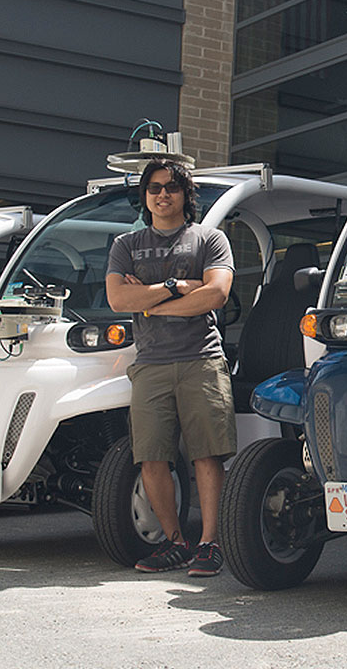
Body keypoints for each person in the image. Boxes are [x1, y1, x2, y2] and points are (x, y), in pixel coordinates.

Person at [105, 157, 236, 577]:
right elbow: (118, 302)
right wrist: (176, 288)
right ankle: (175, 543)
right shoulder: (125, 245)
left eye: (172, 187)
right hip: (151, 365)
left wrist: (150, 302)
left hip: (202, 359)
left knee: (206, 454)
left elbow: (215, 295)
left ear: (185, 195)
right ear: (145, 197)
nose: (163, 194)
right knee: (151, 458)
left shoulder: (209, 240)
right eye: (155, 188)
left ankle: (209, 545)